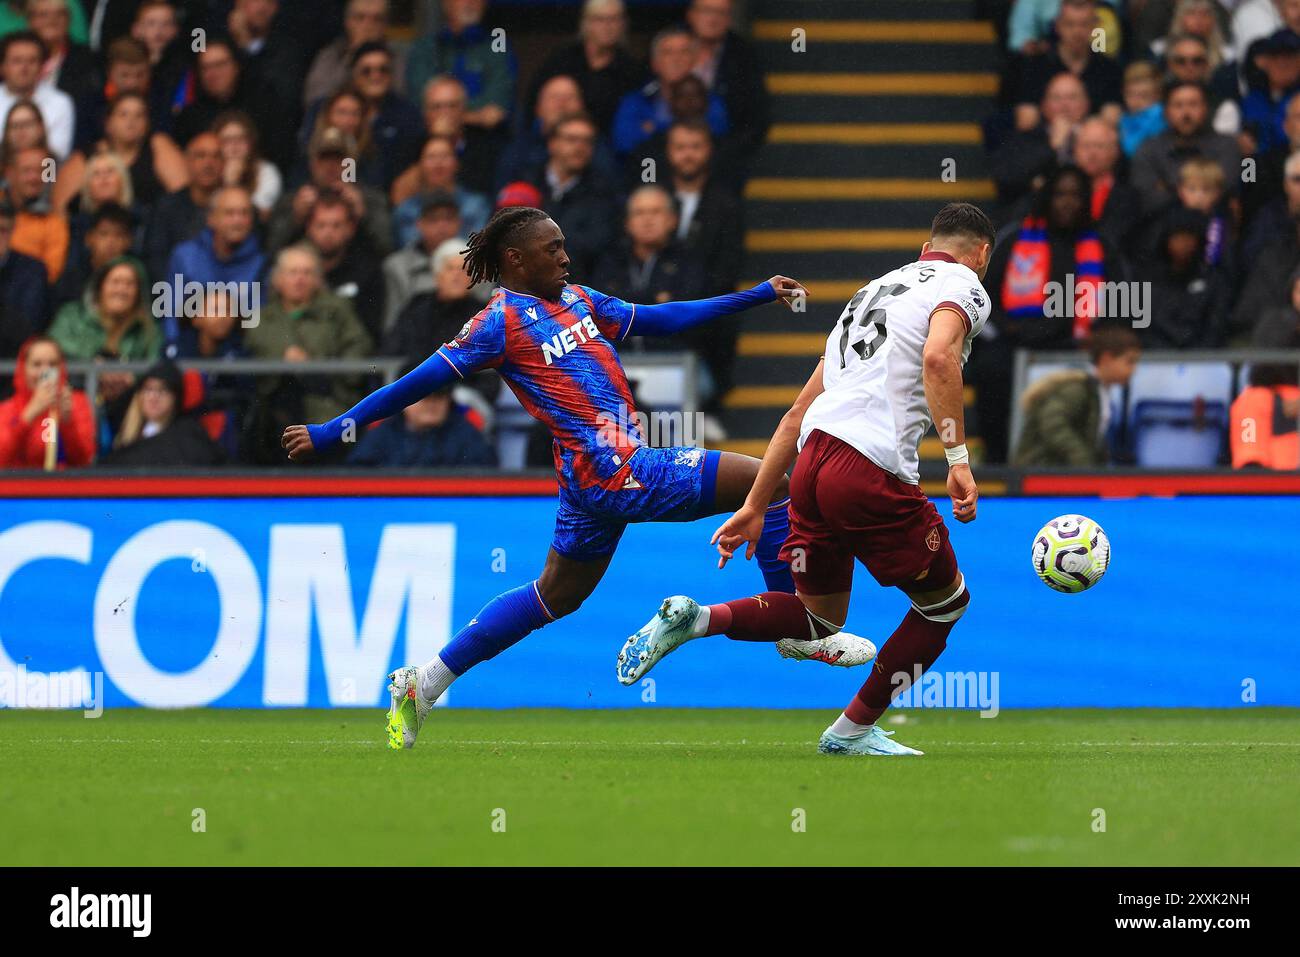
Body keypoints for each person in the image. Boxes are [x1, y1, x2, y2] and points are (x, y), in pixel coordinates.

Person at [280, 205, 870, 749]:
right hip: (619, 469)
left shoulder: (582, 300)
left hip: (589, 485)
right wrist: (336, 430)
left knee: (554, 596)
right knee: (773, 482)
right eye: (553, 248)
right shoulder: (498, 322)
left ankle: (425, 682)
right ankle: (800, 622)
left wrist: (755, 296)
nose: (565, 257)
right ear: (516, 259)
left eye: (564, 247)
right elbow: (412, 384)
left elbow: (662, 319)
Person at [614, 203, 996, 758]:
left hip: (812, 464)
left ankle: (697, 619)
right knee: (944, 606)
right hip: (868, 467)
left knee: (818, 619)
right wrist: (958, 459)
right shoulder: (964, 284)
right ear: (981, 253)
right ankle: (851, 732)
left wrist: (753, 505)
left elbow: (795, 414)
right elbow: (939, 358)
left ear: (923, 248)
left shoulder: (868, 295)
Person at [1013, 320, 1140, 466]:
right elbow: (1053, 424)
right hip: (1039, 474)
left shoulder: (1099, 393)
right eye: (1130, 361)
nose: (1134, 369)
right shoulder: (1077, 389)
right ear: (1106, 359)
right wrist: (1083, 462)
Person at [98, 358, 226, 466]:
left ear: (175, 397)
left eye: (162, 390)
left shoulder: (188, 434)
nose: (153, 397)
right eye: (148, 390)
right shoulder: (127, 430)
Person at [348, 380, 496, 467]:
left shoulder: (465, 434)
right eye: (423, 398)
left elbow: (483, 477)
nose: (431, 404)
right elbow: (357, 475)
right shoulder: (382, 434)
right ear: (403, 401)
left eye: (439, 397)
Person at [0, 334, 94, 467]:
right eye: (37, 364)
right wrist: (28, 415)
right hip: (20, 485)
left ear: (61, 368)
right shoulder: (7, 409)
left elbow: (84, 460)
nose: (45, 371)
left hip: (62, 485)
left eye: (52, 364)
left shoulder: (76, 403)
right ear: (23, 369)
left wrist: (68, 422)